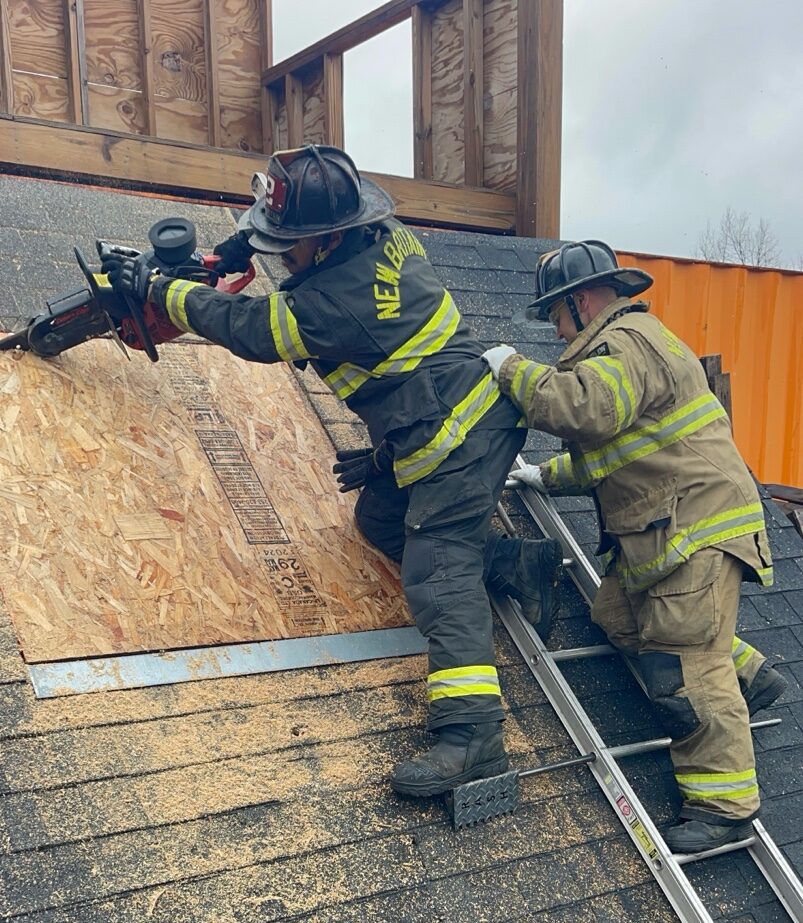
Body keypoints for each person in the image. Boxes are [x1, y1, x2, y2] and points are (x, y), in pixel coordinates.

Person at [102, 145, 563, 797]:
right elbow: (290, 245)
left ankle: (474, 736)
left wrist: (165, 293)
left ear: (327, 238)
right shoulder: (381, 231)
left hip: (455, 437)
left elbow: (255, 331)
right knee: (379, 519)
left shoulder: (334, 304)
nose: (281, 255)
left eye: (287, 246)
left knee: (438, 570)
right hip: (440, 414)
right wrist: (237, 251)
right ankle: (515, 561)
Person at [482, 240, 786, 855]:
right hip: (667, 530)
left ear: (581, 300)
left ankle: (724, 804)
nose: (554, 329)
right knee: (618, 618)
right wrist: (547, 476)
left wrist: (510, 368)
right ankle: (745, 672)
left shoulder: (623, 344)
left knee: (684, 665)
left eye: (555, 314)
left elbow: (585, 410)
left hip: (690, 529)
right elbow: (616, 451)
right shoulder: (637, 344)